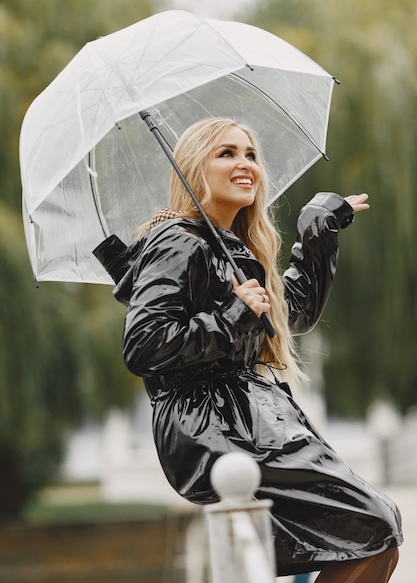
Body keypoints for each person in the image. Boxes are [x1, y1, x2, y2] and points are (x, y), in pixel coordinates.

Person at [94, 117, 402, 581]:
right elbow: (144, 345)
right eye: (227, 153)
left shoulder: (230, 247)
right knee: (371, 525)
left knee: (378, 526)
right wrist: (231, 317)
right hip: (211, 425)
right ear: (195, 168)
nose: (246, 164)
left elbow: (288, 316)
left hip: (250, 416)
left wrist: (318, 230)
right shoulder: (178, 242)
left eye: (251, 154)